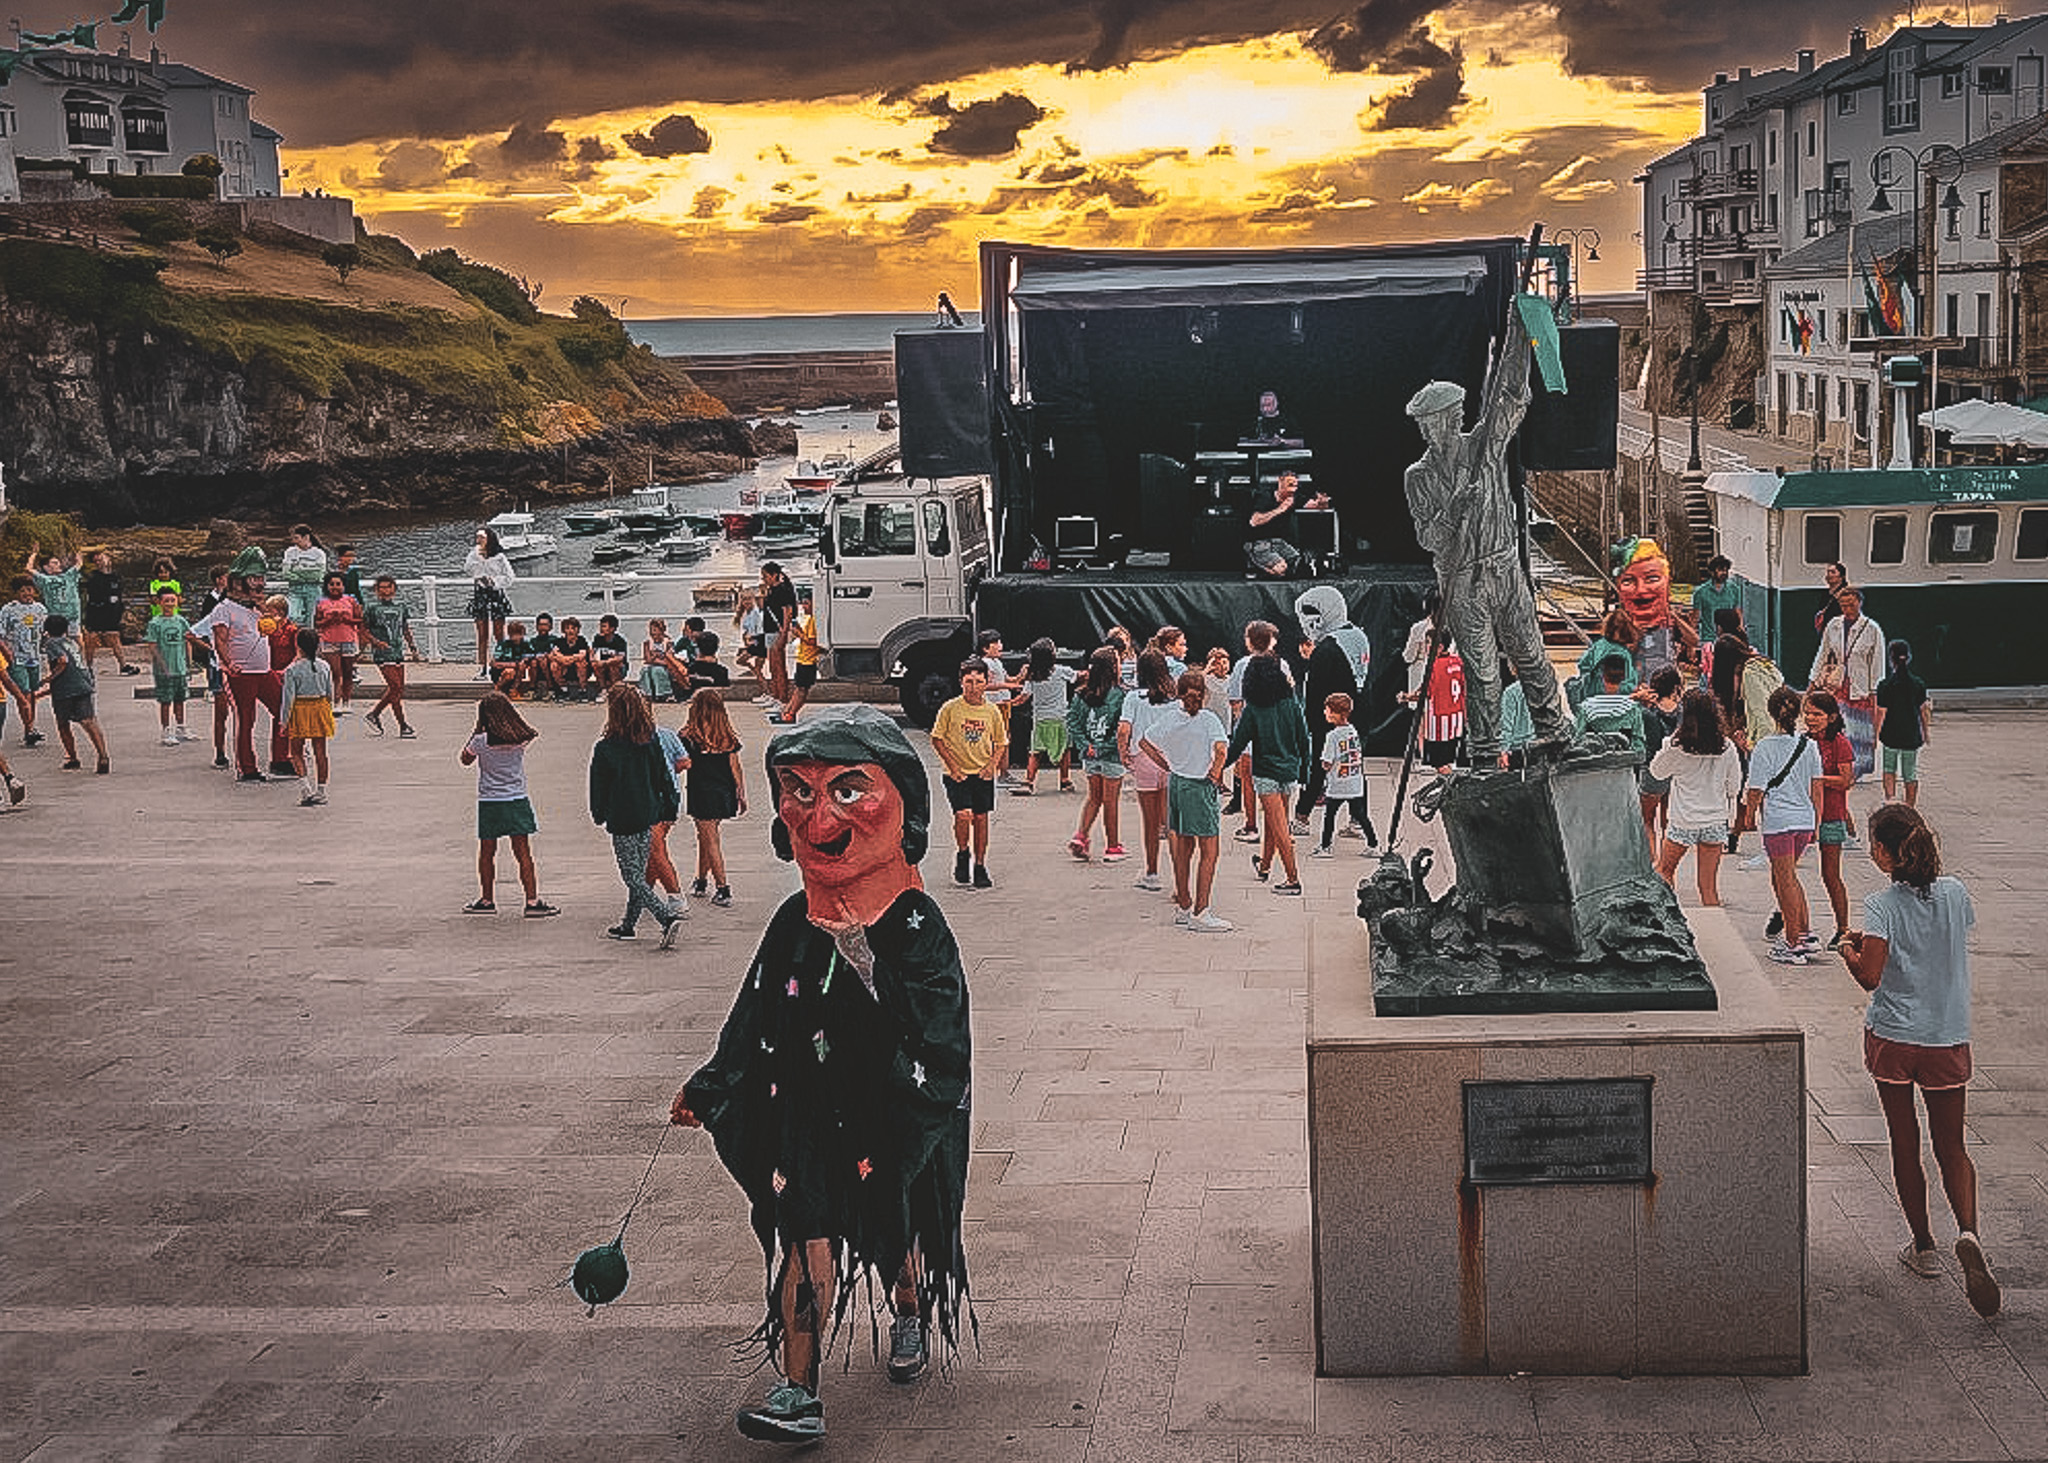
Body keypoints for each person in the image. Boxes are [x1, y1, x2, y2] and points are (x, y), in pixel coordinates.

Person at [671, 706, 973, 1444]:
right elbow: (754, 1012)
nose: (820, 817)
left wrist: (861, 955)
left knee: (892, 1228)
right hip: (804, 1111)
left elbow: (939, 1030)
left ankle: (908, 1306)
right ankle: (797, 1389)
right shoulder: (790, 923)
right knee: (805, 1242)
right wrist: (714, 1083)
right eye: (800, 792)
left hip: (883, 1111)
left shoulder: (918, 927)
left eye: (847, 790)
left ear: (902, 805)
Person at [1838, 804, 1999, 1319]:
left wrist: (1848, 950)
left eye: (1874, 844)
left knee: (1904, 1141)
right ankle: (1968, 1232)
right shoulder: (1955, 893)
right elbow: (1940, 941)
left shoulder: (1880, 905)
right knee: (1952, 1146)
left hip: (1894, 1036)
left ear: (1886, 854)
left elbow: (1871, 976)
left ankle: (1924, 1246)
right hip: (1945, 1035)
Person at [1402, 356, 1571, 763]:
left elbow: (1511, 400)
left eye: (1431, 420)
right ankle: (1484, 752)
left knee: (1530, 653)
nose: (1425, 429)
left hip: (1504, 567)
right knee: (1482, 672)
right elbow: (1428, 538)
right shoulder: (1418, 476)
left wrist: (1519, 344)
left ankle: (1554, 732)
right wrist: (1454, 509)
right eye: (1423, 423)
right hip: (1462, 580)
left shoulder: (1484, 448)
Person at [588, 684, 688, 946]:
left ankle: (665, 917)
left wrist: (598, 812)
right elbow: (664, 777)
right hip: (649, 812)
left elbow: (599, 785)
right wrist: (669, 807)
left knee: (632, 876)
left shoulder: (605, 748)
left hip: (622, 816)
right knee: (639, 872)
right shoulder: (650, 742)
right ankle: (628, 924)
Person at [1140, 668, 1233, 931]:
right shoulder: (1209, 720)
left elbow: (1145, 742)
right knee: (1209, 851)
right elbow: (1221, 749)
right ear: (1204, 695)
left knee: (1182, 849)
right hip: (1200, 786)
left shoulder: (1170, 719)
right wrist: (1216, 772)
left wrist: (1165, 764)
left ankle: (1183, 904)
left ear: (1178, 694)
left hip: (1177, 783)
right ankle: (1201, 912)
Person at [190, 549, 289, 783]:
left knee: (284, 709)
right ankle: (247, 767)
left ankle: (280, 759)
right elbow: (220, 640)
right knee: (246, 719)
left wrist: (262, 606)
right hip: (241, 674)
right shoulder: (223, 609)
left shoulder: (257, 608)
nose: (260, 583)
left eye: (261, 578)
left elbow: (276, 628)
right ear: (237, 583)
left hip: (264, 671)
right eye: (254, 578)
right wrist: (228, 663)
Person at [459, 691, 557, 917]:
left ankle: (487, 899)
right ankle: (532, 901)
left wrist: (477, 730)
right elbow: (529, 732)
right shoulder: (519, 739)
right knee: (523, 853)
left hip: (490, 800)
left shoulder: (480, 741)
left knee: (487, 852)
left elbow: (465, 759)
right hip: (516, 799)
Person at [1745, 686, 1824, 965]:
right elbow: (1817, 788)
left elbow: (1756, 789)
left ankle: (1792, 943)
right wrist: (1816, 823)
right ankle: (1804, 932)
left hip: (1778, 821)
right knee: (1788, 876)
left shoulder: (1764, 747)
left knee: (1785, 879)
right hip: (1804, 820)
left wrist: (1747, 816)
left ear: (1770, 713)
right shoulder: (1809, 746)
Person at [1649, 689, 1743, 906]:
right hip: (1715, 821)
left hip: (1684, 820)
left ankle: (1668, 915)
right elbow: (1734, 788)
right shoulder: (1727, 747)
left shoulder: (1677, 746)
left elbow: (1656, 772)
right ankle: (1714, 922)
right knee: (1708, 888)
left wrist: (1668, 744)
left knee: (1664, 871)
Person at [1225, 653, 1310, 890]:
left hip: (1265, 772)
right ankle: (1264, 866)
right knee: (1274, 822)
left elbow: (1238, 744)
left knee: (1279, 826)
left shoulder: (1253, 709)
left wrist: (1217, 769)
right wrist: (1305, 772)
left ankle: (1292, 879)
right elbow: (1304, 740)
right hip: (1289, 771)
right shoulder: (1291, 702)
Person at [1291, 586, 1370, 836]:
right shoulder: (1359, 636)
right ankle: (1357, 820)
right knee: (1354, 766)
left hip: (1328, 720)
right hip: (1356, 717)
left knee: (1318, 767)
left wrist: (1309, 724)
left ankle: (1302, 817)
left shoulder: (1326, 650)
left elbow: (1315, 693)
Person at [931, 659, 1006, 889]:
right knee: (963, 815)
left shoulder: (992, 711)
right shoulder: (950, 708)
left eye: (978, 682)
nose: (973, 687)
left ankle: (980, 864)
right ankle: (963, 851)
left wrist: (991, 766)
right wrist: (953, 767)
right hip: (957, 774)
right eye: (969, 682)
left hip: (982, 773)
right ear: (961, 682)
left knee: (981, 818)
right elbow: (937, 738)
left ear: (986, 683)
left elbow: (1001, 742)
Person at [1117, 649, 1179, 893]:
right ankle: (1180, 878)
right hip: (1170, 760)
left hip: (1143, 759)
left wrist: (1123, 752)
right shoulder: (1175, 699)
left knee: (1150, 821)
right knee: (1171, 822)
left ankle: (1152, 872)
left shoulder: (1134, 698)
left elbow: (1123, 730)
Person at [680, 688, 747, 907]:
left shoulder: (689, 737)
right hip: (724, 792)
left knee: (710, 840)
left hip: (701, 793)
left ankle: (723, 888)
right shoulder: (727, 736)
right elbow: (735, 766)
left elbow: (681, 763)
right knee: (705, 837)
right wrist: (741, 793)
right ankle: (700, 880)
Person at [1811, 586, 1885, 780]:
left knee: (1860, 729)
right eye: (1843, 605)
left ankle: (1858, 771)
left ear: (1859, 603)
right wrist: (1813, 681)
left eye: (1851, 604)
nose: (1847, 609)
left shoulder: (1871, 629)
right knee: (1839, 728)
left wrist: (1874, 692)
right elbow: (1823, 654)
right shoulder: (1834, 625)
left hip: (1860, 688)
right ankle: (1838, 767)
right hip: (1837, 686)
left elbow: (1877, 663)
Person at [1065, 646, 1128, 862]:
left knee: (1094, 796)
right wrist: (1104, 746)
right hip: (1111, 755)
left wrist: (1086, 745)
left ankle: (1081, 835)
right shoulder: (1119, 695)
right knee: (1111, 801)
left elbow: (1073, 721)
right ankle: (1113, 846)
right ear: (1113, 668)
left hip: (1089, 756)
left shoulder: (1081, 694)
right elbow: (1120, 728)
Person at [1806, 690, 1856, 950]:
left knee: (1830, 874)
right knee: (1785, 870)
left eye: (1817, 714)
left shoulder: (1839, 743)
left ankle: (1843, 927)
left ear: (1832, 717)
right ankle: (1786, 916)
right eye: (1807, 713)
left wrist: (1818, 779)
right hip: (1803, 815)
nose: (1811, 718)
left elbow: (1846, 780)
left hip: (1831, 815)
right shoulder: (1803, 741)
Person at [1608, 537, 1695, 681]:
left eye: (1652, 579)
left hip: (1665, 688)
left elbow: (1694, 641)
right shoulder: (1619, 623)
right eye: (1628, 581)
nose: (1641, 590)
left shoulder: (1672, 621)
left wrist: (1672, 616)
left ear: (1667, 582)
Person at [40, 614, 110, 774]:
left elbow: (62, 661)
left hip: (65, 688)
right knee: (89, 721)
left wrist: (49, 678)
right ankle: (103, 755)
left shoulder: (51, 643)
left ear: (47, 630)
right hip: (83, 683)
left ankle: (72, 758)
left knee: (63, 723)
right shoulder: (71, 642)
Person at [1314, 691, 1376, 857]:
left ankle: (1325, 846)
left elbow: (1327, 762)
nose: (1325, 713)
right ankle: (1373, 844)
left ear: (1335, 714)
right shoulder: (1353, 731)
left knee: (1329, 816)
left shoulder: (1332, 736)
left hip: (1337, 785)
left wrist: (1324, 765)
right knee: (1361, 815)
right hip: (1354, 783)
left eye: (1327, 710)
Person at [279, 628, 335, 806]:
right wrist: (327, 710)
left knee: (296, 752)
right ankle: (321, 791)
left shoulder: (292, 669)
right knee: (321, 753)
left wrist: (284, 721)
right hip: (319, 707)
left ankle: (305, 788)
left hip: (300, 709)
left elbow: (288, 698)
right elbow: (330, 692)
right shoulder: (324, 666)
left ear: (298, 646)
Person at [1017, 637, 1077, 795]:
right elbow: (1078, 676)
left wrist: (1009, 703)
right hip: (1060, 718)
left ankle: (1028, 781)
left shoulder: (1032, 675)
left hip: (1040, 719)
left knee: (1035, 751)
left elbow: (1023, 697)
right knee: (1064, 749)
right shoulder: (1062, 671)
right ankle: (1065, 780)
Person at [361, 575, 419, 738]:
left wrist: (412, 646)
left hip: (397, 651)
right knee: (394, 687)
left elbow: (405, 628)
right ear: (376, 590)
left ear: (394, 589)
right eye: (382, 587)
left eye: (388, 587)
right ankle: (403, 725)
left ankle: (374, 714)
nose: (385, 590)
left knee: (398, 689)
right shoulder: (372, 608)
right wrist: (375, 642)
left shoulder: (401, 607)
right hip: (382, 653)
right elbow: (363, 629)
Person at [1874, 639, 1930, 806]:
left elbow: (1880, 712)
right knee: (1910, 773)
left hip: (1890, 734)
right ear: (1909, 657)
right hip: (1911, 734)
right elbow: (1923, 711)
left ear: (1891, 658)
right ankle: (1910, 807)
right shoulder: (1918, 684)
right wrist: (1925, 733)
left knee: (1889, 769)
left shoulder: (1885, 685)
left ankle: (1890, 802)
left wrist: (1875, 735)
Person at [1245, 470, 1328, 579]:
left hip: (1279, 542)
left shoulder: (1293, 498)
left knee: (1299, 565)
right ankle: (1254, 565)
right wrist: (1281, 509)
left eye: (1295, 486)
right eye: (1290, 485)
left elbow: (1313, 505)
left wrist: (1322, 502)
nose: (1293, 490)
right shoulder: (1265, 497)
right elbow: (1254, 521)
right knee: (1281, 568)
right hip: (1259, 543)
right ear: (1280, 482)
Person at [1637, 665, 1684, 844]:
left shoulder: (1646, 712)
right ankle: (1665, 858)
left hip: (1652, 770)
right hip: (1677, 769)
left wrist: (1638, 699)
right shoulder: (1684, 712)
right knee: (1669, 822)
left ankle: (1653, 858)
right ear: (1675, 688)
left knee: (1647, 820)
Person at [142, 588, 194, 746]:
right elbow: (152, 646)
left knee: (180, 698)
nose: (170, 604)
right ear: (159, 602)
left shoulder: (181, 621)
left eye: (173, 600)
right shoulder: (155, 623)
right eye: (166, 601)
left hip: (180, 667)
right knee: (165, 700)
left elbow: (188, 640)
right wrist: (162, 664)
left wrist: (189, 662)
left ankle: (181, 727)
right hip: (164, 669)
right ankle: (165, 731)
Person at [1, 576, 49, 748]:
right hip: (16, 658)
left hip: (34, 657)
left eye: (29, 590)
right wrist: (6, 652)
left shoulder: (40, 609)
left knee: (33, 693)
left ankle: (30, 726)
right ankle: (29, 729)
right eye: (22, 591)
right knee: (25, 692)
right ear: (16, 593)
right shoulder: (8, 610)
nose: (27, 593)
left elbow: (46, 632)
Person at [464, 528, 517, 681]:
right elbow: (467, 569)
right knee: (482, 634)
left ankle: (501, 663)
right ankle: (483, 667)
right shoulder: (474, 554)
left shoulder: (499, 556)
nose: (478, 540)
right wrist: (479, 570)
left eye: (482, 537)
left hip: (495, 594)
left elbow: (509, 576)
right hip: (480, 594)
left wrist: (494, 581)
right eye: (477, 537)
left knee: (499, 633)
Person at [1571, 652, 1647, 759]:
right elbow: (1639, 747)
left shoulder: (1586, 707)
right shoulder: (1632, 708)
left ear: (1602, 676)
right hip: (1623, 765)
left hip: (1593, 766)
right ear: (1624, 677)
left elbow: (1577, 741)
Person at [80, 549, 139, 676]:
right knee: (91, 639)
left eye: (101, 559)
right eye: (96, 561)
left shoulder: (116, 577)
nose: (99, 562)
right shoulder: (92, 577)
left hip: (112, 612)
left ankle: (123, 665)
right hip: (96, 612)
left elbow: (119, 594)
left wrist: (120, 611)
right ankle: (88, 667)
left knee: (114, 638)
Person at [312, 571, 363, 716]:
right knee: (335, 672)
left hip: (348, 640)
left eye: (338, 584)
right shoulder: (321, 602)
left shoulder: (351, 601)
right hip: (329, 641)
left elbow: (360, 620)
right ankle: (336, 702)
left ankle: (347, 701)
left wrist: (346, 620)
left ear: (343, 586)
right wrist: (328, 620)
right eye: (332, 584)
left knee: (347, 672)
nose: (335, 587)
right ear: (327, 586)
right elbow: (317, 623)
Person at [1571, 608, 1640, 707]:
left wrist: (1592, 678)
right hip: (1617, 698)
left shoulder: (1599, 645)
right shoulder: (1624, 653)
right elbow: (1630, 682)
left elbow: (1582, 664)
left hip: (1593, 693)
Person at [772, 597, 820, 725]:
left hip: (808, 660)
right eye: (802, 603)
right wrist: (798, 629)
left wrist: (798, 633)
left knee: (801, 690)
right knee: (798, 689)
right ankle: (786, 712)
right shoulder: (808, 619)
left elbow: (812, 641)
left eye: (806, 604)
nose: (803, 607)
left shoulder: (813, 621)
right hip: (802, 658)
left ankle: (790, 714)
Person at [974, 629, 1016, 777]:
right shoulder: (985, 664)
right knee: (998, 739)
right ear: (985, 648)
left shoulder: (997, 662)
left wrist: (1021, 676)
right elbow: (987, 685)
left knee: (1004, 738)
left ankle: (1004, 771)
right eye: (996, 643)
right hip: (994, 704)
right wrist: (1009, 686)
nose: (1000, 646)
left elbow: (1008, 679)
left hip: (1003, 703)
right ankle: (999, 771)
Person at [759, 561, 799, 706]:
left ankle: (783, 698)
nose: (763, 579)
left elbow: (787, 612)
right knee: (772, 667)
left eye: (765, 576)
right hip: (769, 630)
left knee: (779, 666)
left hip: (778, 631)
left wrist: (784, 633)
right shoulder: (771, 590)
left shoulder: (782, 590)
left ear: (774, 575)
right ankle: (775, 695)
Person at [279, 525, 327, 630]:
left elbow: (318, 575)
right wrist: (306, 574)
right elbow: (286, 573)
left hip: (313, 588)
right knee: (293, 616)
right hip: (295, 588)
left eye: (297, 538)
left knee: (312, 618)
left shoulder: (319, 553)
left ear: (306, 537)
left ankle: (310, 637)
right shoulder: (290, 552)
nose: (294, 541)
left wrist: (297, 572)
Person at [26, 542, 82, 629]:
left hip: (72, 617)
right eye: (54, 563)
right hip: (55, 618)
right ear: (46, 567)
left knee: (75, 636)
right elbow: (29, 569)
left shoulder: (69, 575)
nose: (58, 564)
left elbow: (79, 563)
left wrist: (76, 549)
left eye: (58, 562)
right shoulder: (44, 580)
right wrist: (34, 554)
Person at [1691, 554, 1744, 639]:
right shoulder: (1701, 592)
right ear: (1712, 571)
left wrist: (1740, 630)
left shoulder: (1734, 589)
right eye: (1720, 570)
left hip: (1729, 638)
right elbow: (1695, 617)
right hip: (1708, 638)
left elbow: (1738, 612)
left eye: (1726, 570)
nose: (1724, 573)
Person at [548, 616, 595, 700]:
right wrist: (564, 660)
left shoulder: (581, 640)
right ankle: (563, 689)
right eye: (567, 628)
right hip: (564, 669)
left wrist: (567, 659)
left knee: (581, 663)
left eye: (573, 628)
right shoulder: (560, 641)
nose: (570, 631)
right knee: (554, 665)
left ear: (578, 630)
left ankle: (582, 690)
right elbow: (553, 654)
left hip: (579, 669)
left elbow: (581, 655)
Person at [491, 620, 538, 698]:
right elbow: (494, 663)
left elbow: (533, 654)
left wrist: (525, 660)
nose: (516, 637)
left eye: (518, 633)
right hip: (502, 671)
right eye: (513, 633)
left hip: (519, 671)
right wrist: (513, 664)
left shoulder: (526, 644)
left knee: (532, 663)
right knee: (510, 671)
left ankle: (527, 687)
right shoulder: (503, 645)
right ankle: (497, 688)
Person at [639, 616, 679, 702]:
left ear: (661, 631)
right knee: (645, 670)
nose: (651, 633)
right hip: (652, 665)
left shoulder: (668, 643)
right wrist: (656, 657)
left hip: (665, 667)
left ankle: (664, 693)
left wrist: (655, 658)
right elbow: (648, 659)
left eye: (654, 630)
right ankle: (647, 693)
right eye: (651, 630)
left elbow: (669, 660)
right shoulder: (647, 643)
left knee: (657, 670)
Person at [525, 613, 563, 698]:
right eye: (540, 625)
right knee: (534, 662)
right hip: (536, 666)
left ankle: (551, 687)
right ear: (536, 626)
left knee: (544, 661)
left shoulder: (555, 640)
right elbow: (528, 653)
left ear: (550, 627)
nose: (543, 627)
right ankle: (532, 688)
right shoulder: (533, 641)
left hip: (549, 665)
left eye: (545, 625)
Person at [590, 613, 630, 691]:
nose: (601, 629)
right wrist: (593, 660)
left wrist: (605, 662)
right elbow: (593, 652)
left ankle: (614, 690)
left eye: (604, 626)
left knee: (613, 666)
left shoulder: (620, 641)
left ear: (612, 628)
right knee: (597, 666)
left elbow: (620, 658)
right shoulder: (598, 639)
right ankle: (602, 689)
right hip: (602, 666)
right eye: (601, 626)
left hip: (618, 667)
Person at [1814, 560, 1849, 635]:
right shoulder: (1826, 595)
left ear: (1841, 577)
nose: (1829, 575)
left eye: (1833, 572)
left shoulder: (1846, 594)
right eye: (1828, 572)